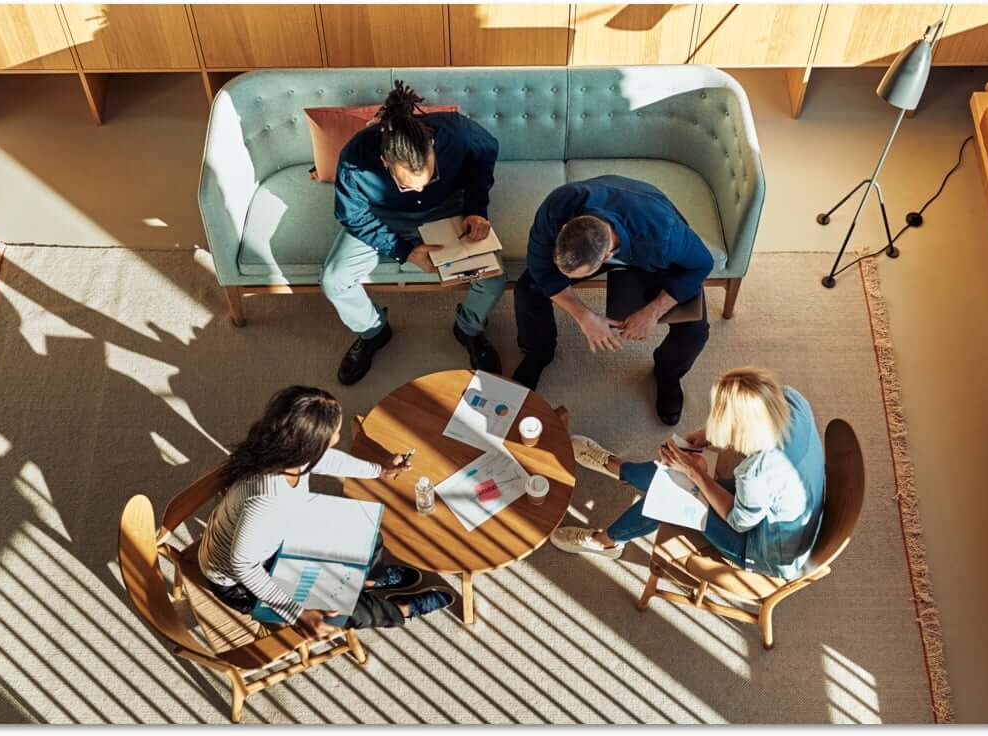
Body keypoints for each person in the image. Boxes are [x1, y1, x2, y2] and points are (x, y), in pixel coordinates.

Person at [199, 386, 454, 639]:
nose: (337, 436)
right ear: (310, 445)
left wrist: (380, 469)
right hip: (241, 583)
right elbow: (243, 566)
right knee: (339, 610)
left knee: (364, 527)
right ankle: (400, 610)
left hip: (275, 535)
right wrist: (297, 613)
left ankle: (370, 580)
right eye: (334, 433)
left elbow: (330, 461)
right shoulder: (266, 500)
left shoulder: (282, 451)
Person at [550, 367, 826, 582]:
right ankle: (619, 470)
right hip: (787, 506)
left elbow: (739, 522)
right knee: (671, 484)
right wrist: (709, 435)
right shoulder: (791, 398)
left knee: (671, 496)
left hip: (762, 548)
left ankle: (606, 540)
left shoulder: (756, 472)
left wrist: (696, 474)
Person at [325, 80, 506, 386]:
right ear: (385, 162)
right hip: (381, 217)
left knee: (493, 279)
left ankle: (468, 328)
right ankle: (373, 332)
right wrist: (404, 251)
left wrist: (476, 208)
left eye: (427, 176)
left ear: (432, 147)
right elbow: (351, 215)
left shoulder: (456, 132)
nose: (419, 188)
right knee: (334, 280)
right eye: (408, 184)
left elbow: (487, 152)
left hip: (447, 207)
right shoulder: (355, 158)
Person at [512, 175, 713, 425]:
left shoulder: (664, 235)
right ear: (565, 228)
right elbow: (542, 272)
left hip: (650, 249)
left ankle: (668, 374)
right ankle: (538, 353)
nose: (562, 279)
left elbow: (702, 264)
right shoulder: (557, 207)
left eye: (572, 276)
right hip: (605, 235)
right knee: (528, 289)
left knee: (696, 331)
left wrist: (651, 312)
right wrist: (584, 316)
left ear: (606, 257)